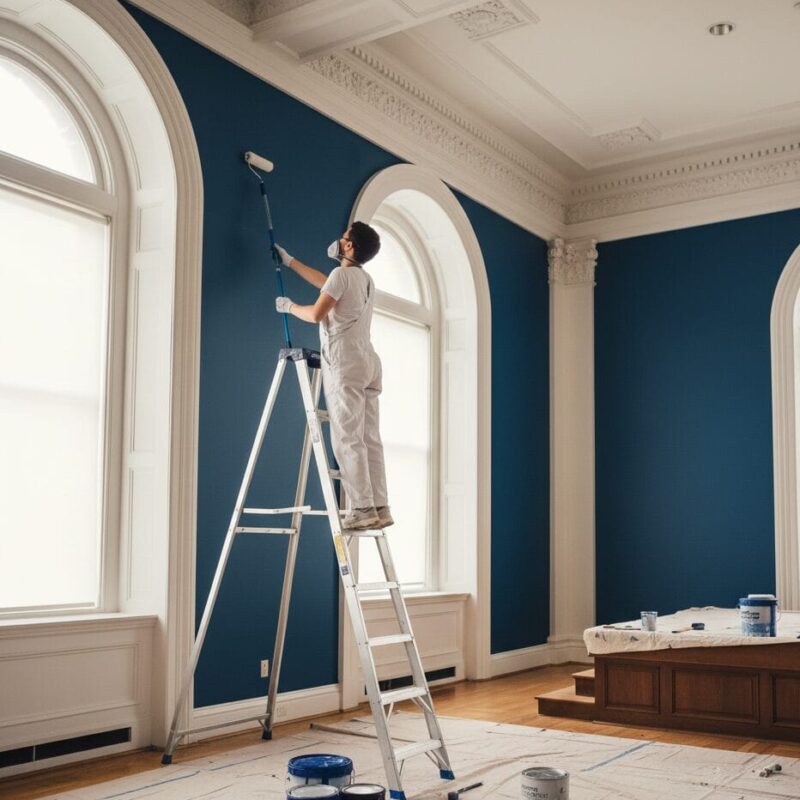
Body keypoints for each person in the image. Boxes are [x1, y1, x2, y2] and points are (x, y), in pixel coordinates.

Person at [273, 222, 393, 531]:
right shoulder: (364, 279)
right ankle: (379, 507)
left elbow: (316, 313)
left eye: (344, 237)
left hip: (345, 362)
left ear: (350, 246)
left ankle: (362, 508)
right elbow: (327, 283)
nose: (339, 240)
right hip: (368, 362)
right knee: (369, 438)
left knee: (347, 437)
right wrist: (290, 262)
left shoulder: (342, 275)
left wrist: (289, 307)